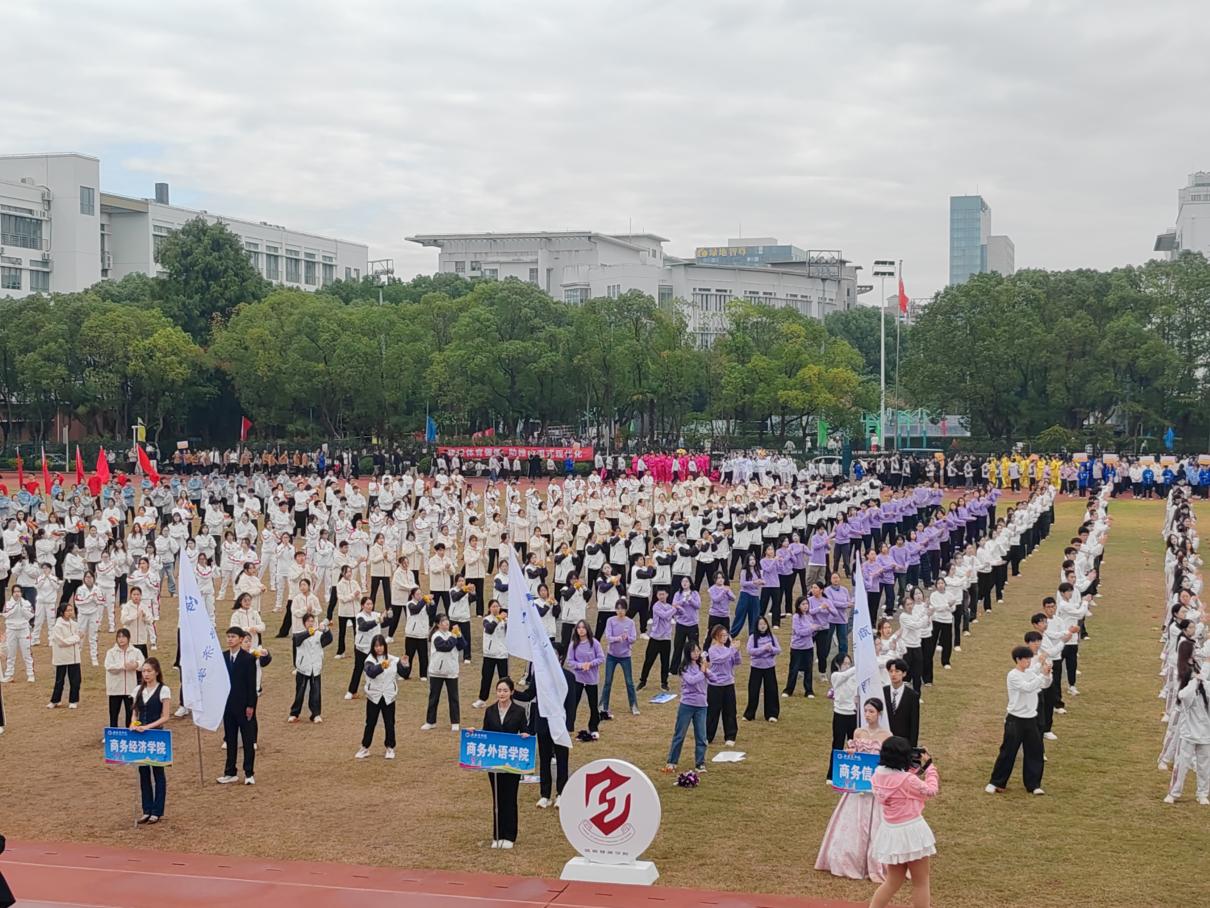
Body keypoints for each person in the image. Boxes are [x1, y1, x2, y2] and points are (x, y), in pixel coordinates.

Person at [815, 698, 890, 881]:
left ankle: (876, 860)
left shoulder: (886, 735)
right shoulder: (858, 732)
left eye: (871, 711)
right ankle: (848, 857)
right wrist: (851, 754)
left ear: (879, 714)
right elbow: (853, 759)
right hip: (858, 785)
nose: (867, 715)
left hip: (874, 786)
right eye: (865, 711)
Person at [869, 736, 939, 908]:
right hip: (911, 832)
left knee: (893, 880)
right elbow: (931, 790)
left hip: (891, 831)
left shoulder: (877, 775)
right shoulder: (908, 780)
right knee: (921, 881)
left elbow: (898, 780)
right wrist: (930, 768)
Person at [985, 645, 1051, 796]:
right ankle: (996, 782)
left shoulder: (1030, 673)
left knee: (1035, 751)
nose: (1028, 661)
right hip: (1015, 719)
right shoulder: (1013, 675)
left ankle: (1033, 784)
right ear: (1018, 660)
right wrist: (1042, 675)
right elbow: (1027, 688)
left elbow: (1044, 685)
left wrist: (1046, 675)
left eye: (1029, 659)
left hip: (1031, 719)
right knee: (1008, 751)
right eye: (1025, 659)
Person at [483, 677, 530, 849]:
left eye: (505, 690)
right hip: (494, 761)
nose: (501, 694)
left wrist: (525, 735)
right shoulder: (489, 711)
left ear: (511, 692)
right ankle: (497, 834)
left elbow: (525, 730)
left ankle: (509, 835)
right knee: (497, 796)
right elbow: (485, 733)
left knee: (510, 797)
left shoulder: (518, 711)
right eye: (499, 690)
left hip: (512, 761)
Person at [131, 657, 171, 824]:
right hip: (141, 737)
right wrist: (133, 724)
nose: (145, 674)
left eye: (148, 671)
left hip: (155, 736)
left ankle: (157, 810)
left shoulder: (163, 690)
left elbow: (165, 717)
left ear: (156, 672)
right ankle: (146, 809)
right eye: (143, 671)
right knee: (143, 772)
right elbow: (135, 713)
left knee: (158, 773)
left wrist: (148, 727)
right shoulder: (138, 691)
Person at [357, 633, 408, 759]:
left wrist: (405, 664)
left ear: (385, 646)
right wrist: (382, 665)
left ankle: (390, 748)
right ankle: (365, 747)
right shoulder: (369, 660)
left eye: (381, 646)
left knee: (389, 723)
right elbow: (371, 672)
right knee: (370, 723)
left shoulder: (393, 659)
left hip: (388, 696)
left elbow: (404, 673)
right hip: (374, 696)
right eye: (376, 646)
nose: (379, 648)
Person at [218, 627, 258, 785]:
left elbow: (251, 684)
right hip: (228, 706)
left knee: (248, 741)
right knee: (231, 739)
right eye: (228, 636)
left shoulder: (248, 659)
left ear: (241, 639)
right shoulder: (223, 657)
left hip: (244, 706)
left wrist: (250, 705)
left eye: (233, 636)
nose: (230, 639)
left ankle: (248, 773)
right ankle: (230, 772)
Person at [664, 640, 708, 773]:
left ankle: (700, 763)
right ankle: (672, 761)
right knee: (680, 734)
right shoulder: (684, 668)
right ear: (688, 653)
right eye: (693, 651)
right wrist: (702, 672)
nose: (696, 653)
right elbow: (692, 681)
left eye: (697, 650)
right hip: (687, 705)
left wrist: (707, 670)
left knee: (701, 736)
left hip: (702, 705)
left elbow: (712, 678)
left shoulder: (702, 665)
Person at [422, 615, 466, 731]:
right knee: (434, 697)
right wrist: (455, 636)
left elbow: (462, 646)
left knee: (453, 698)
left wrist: (459, 635)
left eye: (447, 621)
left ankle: (455, 722)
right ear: (438, 624)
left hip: (451, 671)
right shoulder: (436, 636)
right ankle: (430, 721)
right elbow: (445, 647)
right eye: (443, 621)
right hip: (437, 672)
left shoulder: (453, 635)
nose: (446, 623)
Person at [289, 613, 332, 723]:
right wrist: (309, 633)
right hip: (303, 668)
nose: (311, 623)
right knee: (300, 692)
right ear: (304, 623)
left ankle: (315, 714)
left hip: (315, 668)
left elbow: (329, 639)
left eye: (312, 621)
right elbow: (297, 641)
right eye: (308, 621)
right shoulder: (299, 635)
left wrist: (326, 629)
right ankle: (294, 713)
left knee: (316, 692)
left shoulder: (318, 635)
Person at [600, 599, 639, 720]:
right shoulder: (610, 621)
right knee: (607, 682)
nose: (620, 611)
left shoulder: (630, 622)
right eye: (618, 609)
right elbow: (608, 637)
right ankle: (603, 706)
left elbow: (633, 638)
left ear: (626, 610)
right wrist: (618, 638)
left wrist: (627, 638)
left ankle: (634, 705)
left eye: (622, 609)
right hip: (612, 655)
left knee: (629, 682)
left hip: (625, 656)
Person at [565, 619, 604, 739]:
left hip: (591, 679)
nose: (581, 630)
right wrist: (580, 665)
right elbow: (569, 661)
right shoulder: (573, 644)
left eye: (583, 627)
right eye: (579, 628)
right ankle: (568, 727)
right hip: (578, 679)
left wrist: (590, 664)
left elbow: (601, 658)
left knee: (593, 705)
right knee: (573, 704)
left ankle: (593, 727)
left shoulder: (594, 643)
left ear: (587, 629)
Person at [704, 623, 741, 746]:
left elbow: (736, 662)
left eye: (726, 635)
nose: (725, 637)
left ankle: (730, 735)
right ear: (716, 637)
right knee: (713, 711)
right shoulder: (712, 650)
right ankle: (708, 735)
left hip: (728, 683)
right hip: (715, 685)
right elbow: (719, 660)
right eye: (722, 635)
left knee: (730, 710)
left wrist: (737, 652)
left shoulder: (728, 650)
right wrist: (732, 650)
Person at [826, 653, 858, 782]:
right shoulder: (836, 676)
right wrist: (858, 666)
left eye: (849, 663)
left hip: (853, 714)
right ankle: (831, 774)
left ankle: (851, 772)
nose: (847, 666)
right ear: (838, 665)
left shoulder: (854, 676)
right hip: (840, 714)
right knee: (837, 744)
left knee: (854, 745)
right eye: (844, 663)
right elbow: (845, 675)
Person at [743, 616, 781, 722]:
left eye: (764, 624)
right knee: (753, 690)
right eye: (760, 624)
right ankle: (749, 714)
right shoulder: (752, 637)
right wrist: (763, 649)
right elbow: (750, 651)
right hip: (756, 667)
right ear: (757, 626)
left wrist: (771, 649)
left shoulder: (772, 636)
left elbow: (778, 650)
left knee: (771, 690)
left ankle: (772, 714)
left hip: (769, 667)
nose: (763, 626)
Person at [474, 601, 510, 708]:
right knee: (486, 677)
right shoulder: (487, 619)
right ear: (489, 608)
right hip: (489, 654)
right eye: (493, 606)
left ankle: (507, 699)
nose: (496, 608)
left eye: (497, 606)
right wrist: (498, 619)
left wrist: (507, 622)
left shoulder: (505, 621)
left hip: (502, 654)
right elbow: (489, 629)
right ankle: (482, 699)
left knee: (504, 678)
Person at [105, 628, 143, 729]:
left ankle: (130, 732)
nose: (121, 639)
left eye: (123, 637)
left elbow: (143, 664)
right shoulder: (111, 652)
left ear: (128, 638)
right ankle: (112, 733)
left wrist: (136, 664)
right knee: (114, 713)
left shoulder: (135, 651)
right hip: (115, 688)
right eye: (119, 637)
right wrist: (123, 666)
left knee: (130, 713)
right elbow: (109, 666)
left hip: (130, 688)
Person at [47, 600, 82, 709]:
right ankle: (55, 700)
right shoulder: (58, 626)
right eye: (68, 611)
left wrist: (77, 639)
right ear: (62, 612)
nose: (70, 612)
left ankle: (73, 700)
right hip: (62, 656)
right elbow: (62, 642)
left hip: (74, 656)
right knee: (59, 680)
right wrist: (76, 638)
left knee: (75, 680)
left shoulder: (75, 624)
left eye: (71, 610)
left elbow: (78, 638)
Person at [883, 659, 920, 747]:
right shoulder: (883, 692)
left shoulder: (912, 695)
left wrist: (912, 746)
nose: (893, 674)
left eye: (897, 671)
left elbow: (914, 723)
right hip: (885, 740)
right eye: (891, 671)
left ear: (904, 673)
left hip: (903, 742)